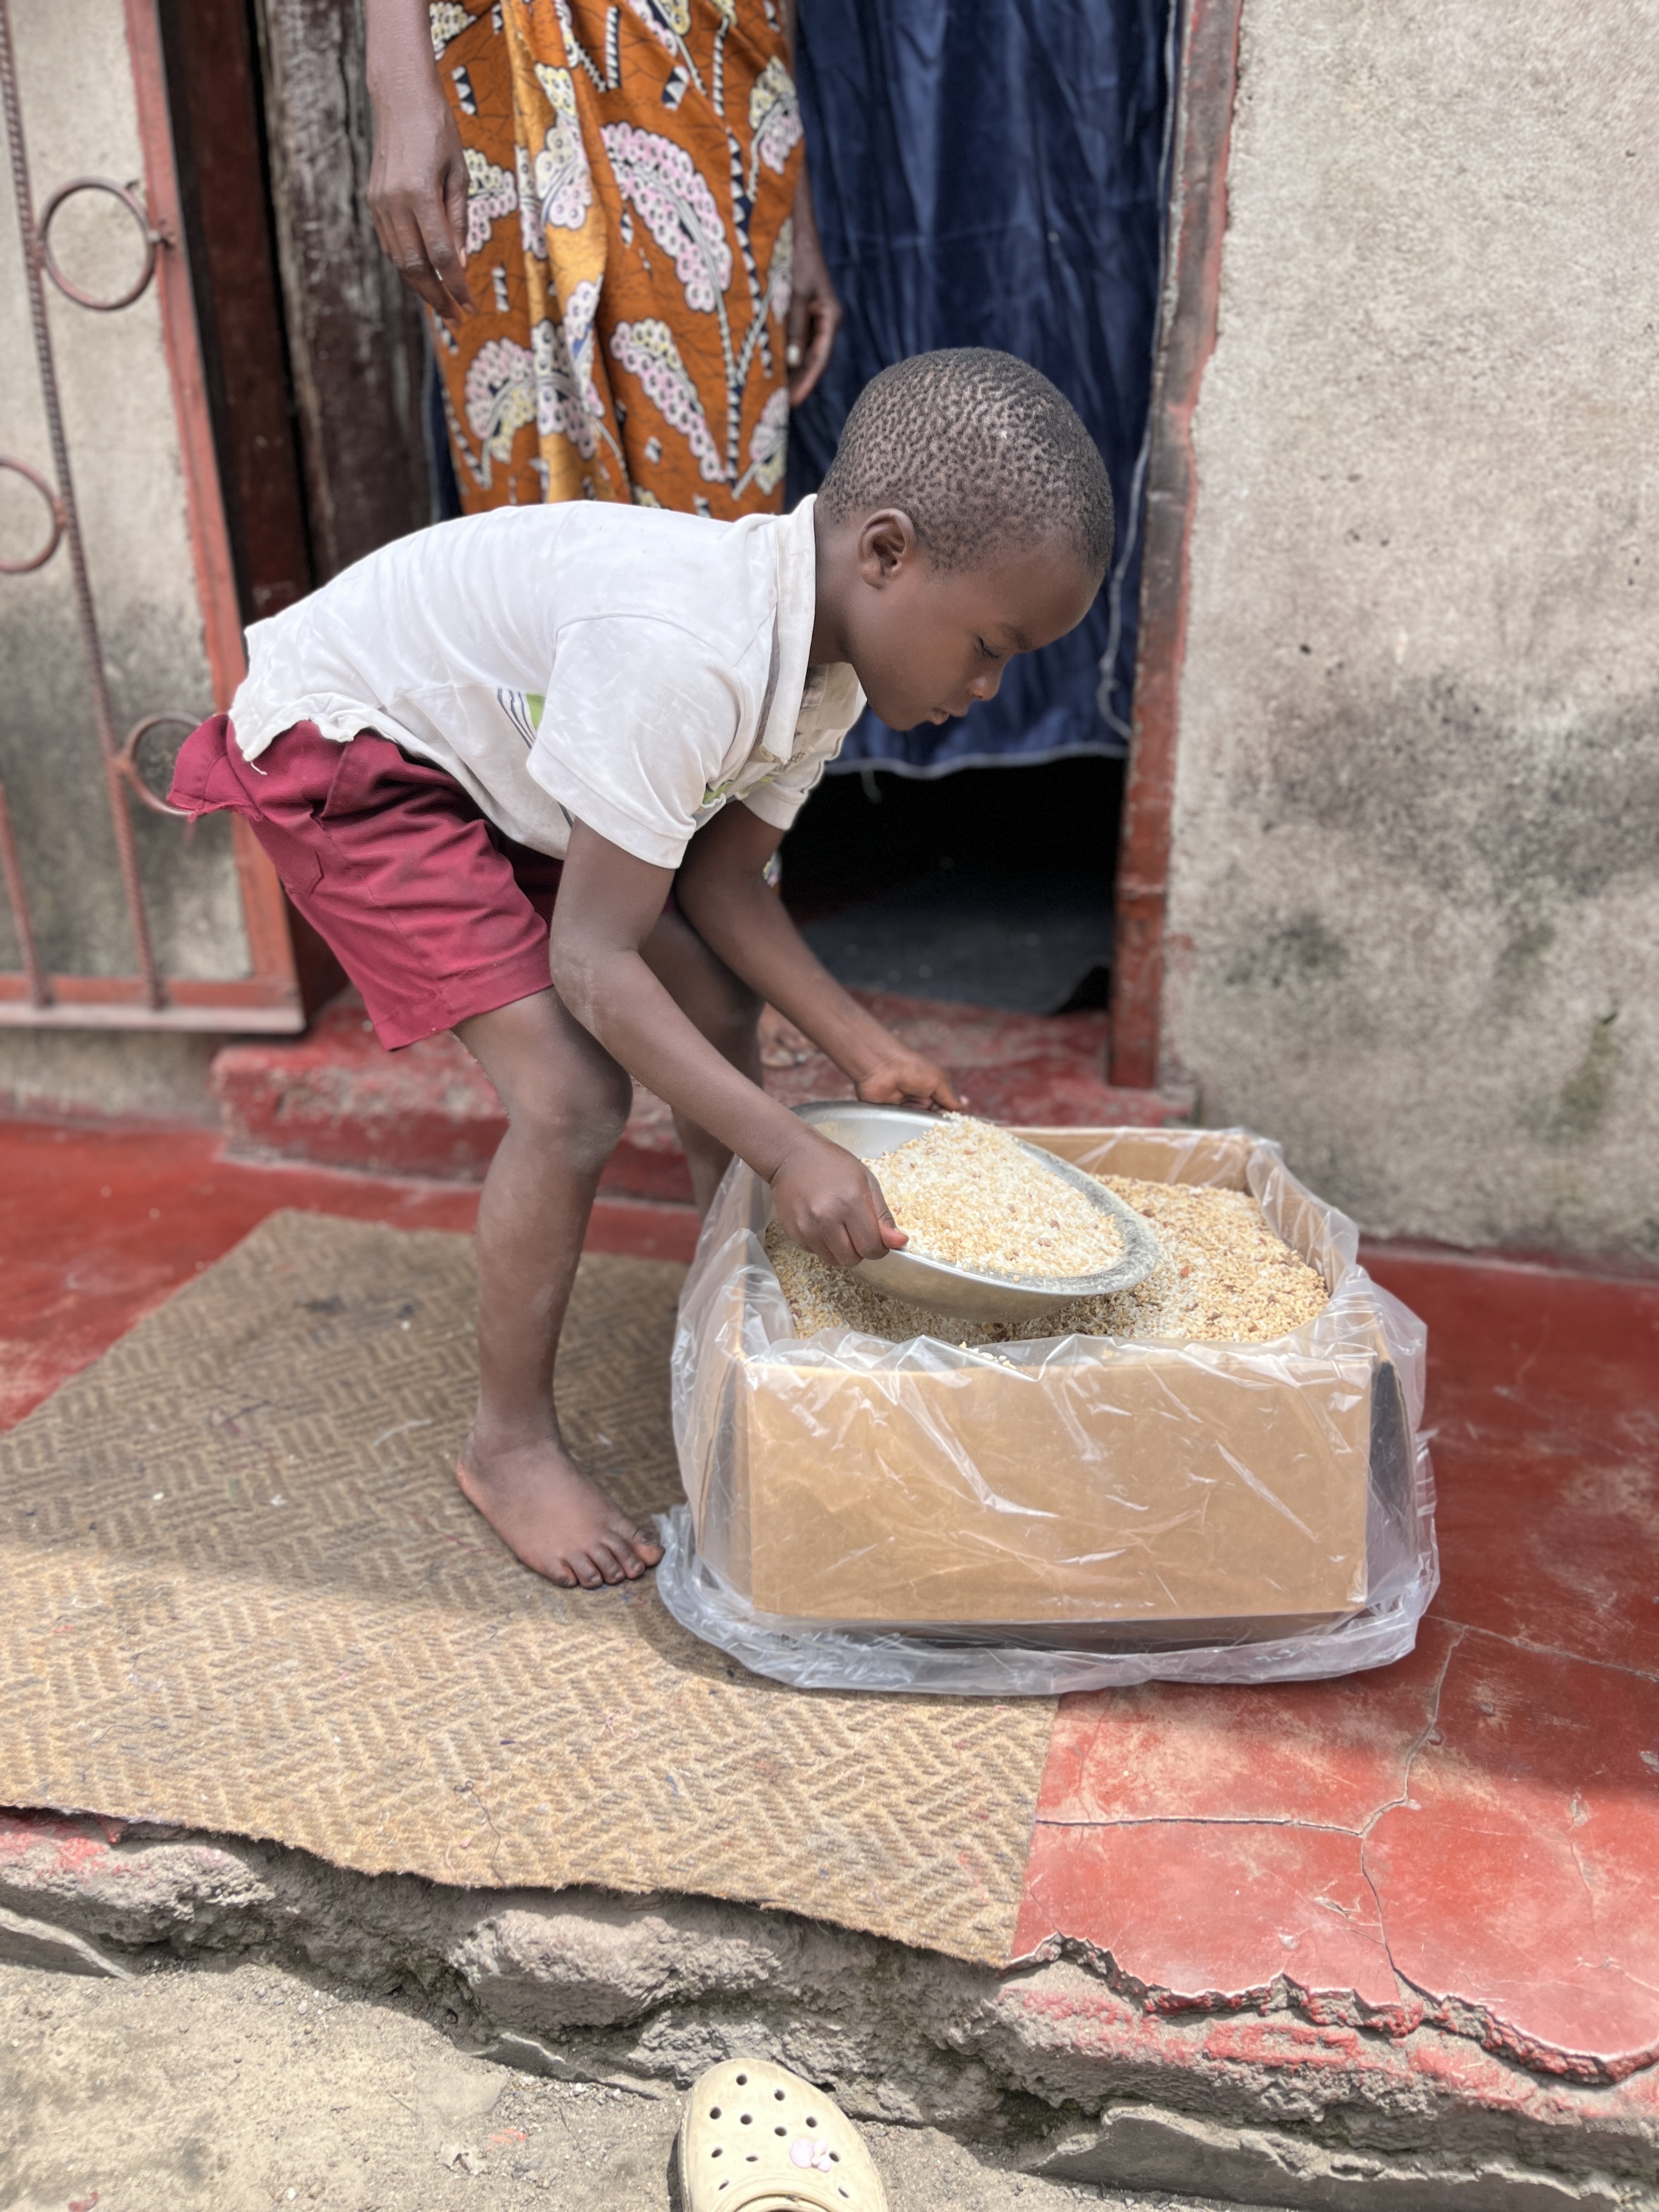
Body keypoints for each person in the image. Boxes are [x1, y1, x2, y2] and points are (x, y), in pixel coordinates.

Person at [168, 350, 1113, 1594]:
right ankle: (506, 1446)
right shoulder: (688, 652)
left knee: (719, 1006)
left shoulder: (826, 667)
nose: (986, 689)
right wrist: (788, 1147)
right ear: (885, 553)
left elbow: (722, 885)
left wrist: (865, 1049)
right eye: (988, 646)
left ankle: (740, 1311)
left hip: (504, 760)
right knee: (572, 1095)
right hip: (356, 747)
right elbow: (593, 961)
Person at [362, 0, 842, 514]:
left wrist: (797, 214)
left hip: (717, 73)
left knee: (719, 496)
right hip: (503, 76)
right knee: (526, 503)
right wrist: (399, 84)